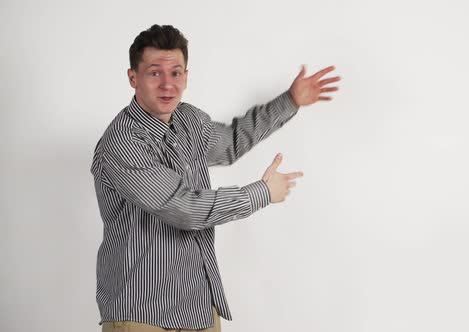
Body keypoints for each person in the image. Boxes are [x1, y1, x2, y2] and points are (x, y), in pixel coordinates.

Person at [90, 24, 340, 332]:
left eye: (176, 73)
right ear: (133, 78)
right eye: (155, 73)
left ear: (186, 76)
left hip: (197, 308)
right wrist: (261, 193)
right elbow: (183, 208)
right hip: (142, 313)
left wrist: (289, 101)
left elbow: (231, 142)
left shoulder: (190, 120)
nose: (168, 84)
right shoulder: (123, 142)